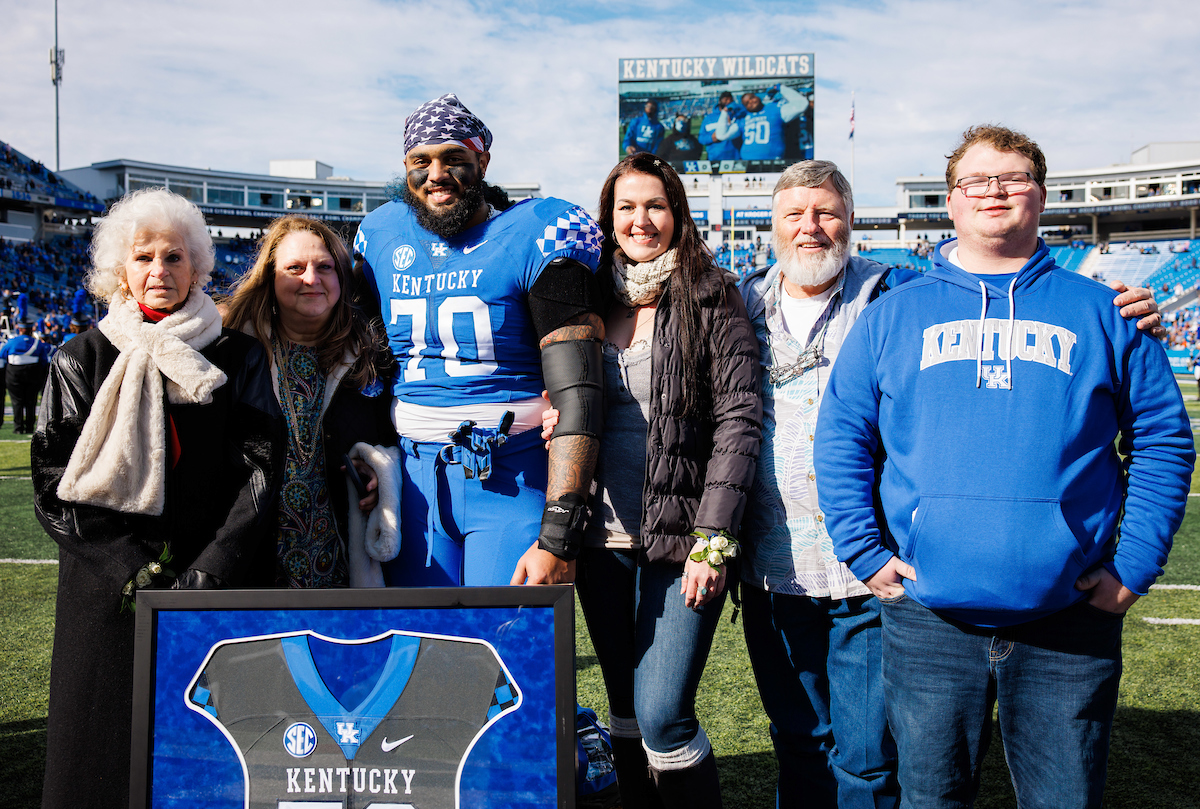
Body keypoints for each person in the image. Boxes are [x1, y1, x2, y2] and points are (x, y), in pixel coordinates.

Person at [739, 159, 1166, 809]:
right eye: (793, 214)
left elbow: (975, 285)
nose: (810, 227)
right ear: (769, 226)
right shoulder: (735, 303)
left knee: (866, 755)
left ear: (851, 220)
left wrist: (1123, 309)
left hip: (876, 568)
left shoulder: (895, 291)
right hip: (774, 560)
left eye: (825, 212)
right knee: (796, 738)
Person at [32, 188, 281, 808]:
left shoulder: (238, 355)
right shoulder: (79, 356)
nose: (159, 271)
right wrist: (128, 569)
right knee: (99, 754)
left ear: (198, 267)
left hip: (211, 579)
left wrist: (210, 570)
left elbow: (259, 471)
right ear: (121, 270)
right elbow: (52, 480)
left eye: (174, 257)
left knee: (206, 753)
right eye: (144, 257)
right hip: (105, 585)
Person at [543, 152, 762, 807]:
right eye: (627, 207)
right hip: (600, 541)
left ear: (678, 215)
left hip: (683, 542)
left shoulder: (712, 294)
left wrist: (713, 539)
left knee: (664, 710)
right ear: (609, 217)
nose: (641, 220)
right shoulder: (585, 297)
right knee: (626, 712)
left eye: (655, 206)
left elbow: (739, 419)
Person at [354, 93, 605, 588]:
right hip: (412, 479)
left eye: (454, 158)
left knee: (500, 652)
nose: (436, 174)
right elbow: (364, 367)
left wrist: (559, 532)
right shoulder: (382, 232)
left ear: (483, 160)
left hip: (510, 474)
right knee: (422, 650)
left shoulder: (536, 229)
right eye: (420, 161)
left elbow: (580, 393)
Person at [223, 214, 395, 588]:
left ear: (342, 277)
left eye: (325, 267)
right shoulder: (233, 353)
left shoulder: (373, 353)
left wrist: (376, 468)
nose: (311, 279)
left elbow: (394, 437)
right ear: (270, 278)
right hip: (252, 558)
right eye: (294, 268)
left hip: (343, 558)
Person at [0, 320, 52, 432]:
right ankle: (29, 427)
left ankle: (18, 427)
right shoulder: (37, 343)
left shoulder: (12, 342)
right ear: (30, 330)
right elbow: (43, 360)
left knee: (16, 401)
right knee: (31, 401)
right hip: (33, 373)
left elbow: (2, 355)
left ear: (20, 329)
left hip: (14, 373)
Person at [739, 87, 809, 162]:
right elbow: (724, 135)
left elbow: (802, 104)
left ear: (757, 97)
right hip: (747, 162)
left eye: (752, 98)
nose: (750, 102)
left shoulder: (775, 109)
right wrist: (727, 112)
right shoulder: (743, 118)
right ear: (745, 107)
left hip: (773, 162)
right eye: (747, 103)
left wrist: (781, 88)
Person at [698, 92, 742, 162]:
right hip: (715, 158)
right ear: (719, 101)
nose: (727, 102)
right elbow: (701, 138)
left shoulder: (737, 116)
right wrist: (712, 138)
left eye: (729, 100)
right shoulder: (709, 118)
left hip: (735, 158)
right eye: (725, 99)